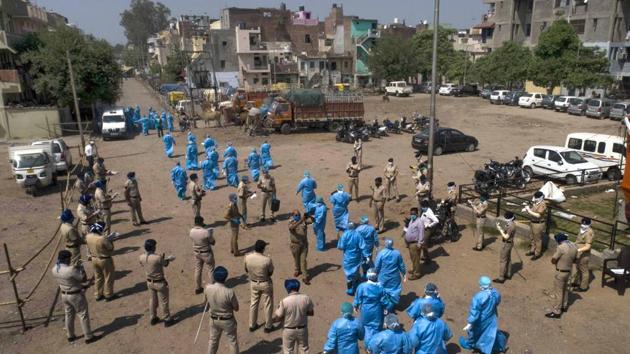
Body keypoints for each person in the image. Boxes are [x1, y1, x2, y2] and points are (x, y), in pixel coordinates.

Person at [51, 250, 101, 344]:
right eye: (69, 258)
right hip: (75, 295)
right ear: (66, 259)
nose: (70, 260)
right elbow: (83, 279)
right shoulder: (70, 269)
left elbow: (70, 278)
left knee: (68, 314)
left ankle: (70, 335)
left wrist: (75, 268)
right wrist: (80, 268)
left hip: (64, 294)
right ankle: (88, 336)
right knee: (83, 315)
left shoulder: (54, 269)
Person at [459, 276, 507, 354]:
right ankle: (498, 346)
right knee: (490, 333)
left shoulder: (479, 297)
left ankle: (470, 344)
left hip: (481, 319)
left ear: (481, 286)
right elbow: (497, 302)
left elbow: (475, 311)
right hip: (491, 317)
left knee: (474, 332)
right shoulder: (495, 293)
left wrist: (470, 322)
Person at [139, 239, 175, 327]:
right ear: (152, 247)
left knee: (152, 300)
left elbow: (145, 264)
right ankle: (167, 319)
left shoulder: (141, 257)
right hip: (159, 283)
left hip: (149, 282)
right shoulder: (157, 257)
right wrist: (168, 259)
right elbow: (165, 264)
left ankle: (153, 317)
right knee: (164, 301)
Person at [273, 279, 315, 354]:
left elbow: (278, 317)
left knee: (288, 351)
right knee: (304, 349)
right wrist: (301, 313)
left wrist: (271, 320)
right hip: (303, 329)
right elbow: (311, 313)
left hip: (288, 330)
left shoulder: (284, 301)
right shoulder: (306, 298)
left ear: (287, 288)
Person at [205, 266, 239, 354]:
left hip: (213, 319)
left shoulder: (208, 288)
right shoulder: (229, 292)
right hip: (227, 320)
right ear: (225, 278)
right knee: (232, 341)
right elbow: (236, 308)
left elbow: (206, 302)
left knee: (212, 341)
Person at [244, 240, 275, 333]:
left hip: (253, 282)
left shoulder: (247, 257)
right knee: (268, 304)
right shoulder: (267, 260)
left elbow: (246, 269)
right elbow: (270, 272)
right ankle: (268, 326)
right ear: (263, 249)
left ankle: (252, 325)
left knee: (253, 303)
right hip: (265, 283)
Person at [545, 233, 578, 319]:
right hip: (568, 271)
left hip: (560, 272)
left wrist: (556, 261)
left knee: (558, 291)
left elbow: (553, 260)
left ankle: (557, 311)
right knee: (565, 289)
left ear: (559, 241)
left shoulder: (561, 247)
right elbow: (575, 259)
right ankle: (564, 305)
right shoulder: (574, 246)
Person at [353, 268, 388, 345]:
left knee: (366, 328)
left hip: (366, 310)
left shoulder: (362, 286)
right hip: (377, 310)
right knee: (376, 328)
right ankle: (375, 346)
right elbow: (384, 301)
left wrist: (355, 306)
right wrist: (385, 308)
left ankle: (368, 346)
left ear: (367, 276)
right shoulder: (380, 287)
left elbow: (357, 298)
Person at [85, 222, 116, 301]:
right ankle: (109, 294)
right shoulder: (102, 238)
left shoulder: (88, 236)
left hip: (94, 259)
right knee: (108, 276)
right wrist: (111, 240)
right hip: (104, 259)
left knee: (98, 277)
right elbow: (110, 248)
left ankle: (98, 294)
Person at [375, 238, 406, 308]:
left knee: (383, 288)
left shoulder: (381, 254)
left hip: (383, 276)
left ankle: (385, 304)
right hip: (394, 276)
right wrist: (403, 273)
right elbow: (401, 265)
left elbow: (377, 266)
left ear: (385, 244)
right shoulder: (397, 253)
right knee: (394, 289)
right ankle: (391, 303)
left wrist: (375, 273)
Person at [338, 222, 366, 295]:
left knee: (348, 273)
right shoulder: (358, 234)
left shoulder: (345, 235)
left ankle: (350, 289)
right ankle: (356, 285)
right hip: (356, 256)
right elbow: (363, 246)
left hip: (348, 257)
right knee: (356, 270)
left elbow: (341, 247)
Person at [190, 216, 216, 294]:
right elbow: (213, 242)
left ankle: (198, 287)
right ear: (201, 222)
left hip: (197, 252)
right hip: (206, 253)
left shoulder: (191, 231)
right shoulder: (205, 232)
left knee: (198, 270)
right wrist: (211, 234)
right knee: (211, 270)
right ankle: (212, 288)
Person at [289, 210, 312, 285]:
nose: (297, 216)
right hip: (295, 245)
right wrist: (301, 220)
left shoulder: (304, 222)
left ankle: (305, 277)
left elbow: (313, 220)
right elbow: (292, 228)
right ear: (293, 216)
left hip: (304, 244)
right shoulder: (291, 222)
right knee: (296, 258)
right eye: (296, 215)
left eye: (298, 214)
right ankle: (297, 270)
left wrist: (309, 215)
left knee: (303, 260)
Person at [404, 208, 427, 280]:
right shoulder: (412, 220)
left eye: (413, 214)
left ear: (417, 214)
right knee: (413, 258)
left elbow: (421, 234)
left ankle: (417, 274)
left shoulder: (419, 222)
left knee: (416, 259)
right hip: (410, 243)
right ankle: (414, 269)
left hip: (415, 243)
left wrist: (420, 244)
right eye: (411, 214)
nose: (412, 215)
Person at [493, 211, 516, 284]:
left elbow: (506, 236)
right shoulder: (512, 223)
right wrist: (501, 228)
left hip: (506, 243)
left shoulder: (510, 226)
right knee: (508, 259)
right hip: (510, 243)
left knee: (503, 260)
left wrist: (499, 229)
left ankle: (501, 277)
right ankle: (508, 274)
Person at [523, 191, 547, 260]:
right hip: (532, 222)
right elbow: (532, 211)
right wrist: (527, 210)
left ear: (540, 197)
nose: (535, 198)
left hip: (538, 223)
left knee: (537, 239)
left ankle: (537, 253)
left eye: (536, 197)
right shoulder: (536, 203)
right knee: (532, 237)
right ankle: (532, 250)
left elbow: (538, 215)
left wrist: (529, 211)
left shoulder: (542, 204)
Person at [572, 218, 593, 292]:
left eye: (585, 224)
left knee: (584, 270)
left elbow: (588, 246)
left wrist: (578, 250)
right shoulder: (582, 229)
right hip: (579, 252)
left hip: (584, 254)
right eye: (583, 223)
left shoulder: (588, 232)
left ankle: (583, 287)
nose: (583, 225)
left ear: (589, 224)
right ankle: (577, 282)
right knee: (578, 267)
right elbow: (578, 240)